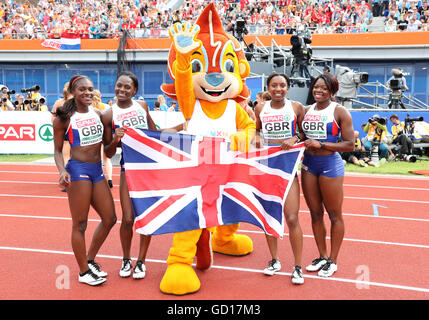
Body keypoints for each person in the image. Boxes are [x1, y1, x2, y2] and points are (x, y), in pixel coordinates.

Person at [53, 75, 117, 286]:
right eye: (83, 90)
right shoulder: (64, 118)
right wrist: (62, 171)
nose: (88, 93)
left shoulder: (99, 114)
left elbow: (108, 149)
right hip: (78, 170)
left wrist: (116, 139)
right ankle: (83, 272)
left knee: (110, 218)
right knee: (80, 224)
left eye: (90, 89)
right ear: (74, 92)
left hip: (97, 170)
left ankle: (89, 260)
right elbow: (57, 150)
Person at [102, 71, 158, 279]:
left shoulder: (142, 107)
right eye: (119, 86)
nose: (122, 90)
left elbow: (155, 133)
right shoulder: (108, 115)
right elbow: (107, 152)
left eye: (127, 87)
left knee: (146, 217)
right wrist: (116, 140)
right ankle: (126, 259)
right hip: (128, 167)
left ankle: (141, 261)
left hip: (149, 168)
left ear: (135, 90)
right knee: (127, 219)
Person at [254, 73, 305, 285]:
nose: (278, 89)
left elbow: (303, 134)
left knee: (292, 218)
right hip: (267, 167)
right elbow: (257, 130)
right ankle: (274, 260)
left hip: (288, 167)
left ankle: (298, 266)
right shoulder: (259, 108)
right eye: (274, 85)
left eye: (282, 85)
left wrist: (294, 138)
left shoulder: (296, 107)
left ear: (288, 87)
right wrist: (256, 138)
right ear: (268, 87)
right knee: (269, 215)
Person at [301, 73, 354, 277]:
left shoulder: (340, 112)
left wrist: (322, 144)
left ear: (332, 91)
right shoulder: (307, 110)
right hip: (308, 165)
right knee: (315, 213)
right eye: (316, 87)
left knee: (334, 215)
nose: (318, 91)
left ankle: (333, 260)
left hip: (330, 165)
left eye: (323, 88)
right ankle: (322, 256)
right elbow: (302, 135)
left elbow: (349, 144)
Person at [52, 82, 73, 191]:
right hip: (74, 132)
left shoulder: (58, 103)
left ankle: (67, 179)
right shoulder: (76, 103)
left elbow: (53, 120)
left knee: (65, 157)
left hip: (64, 133)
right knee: (71, 157)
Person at [91, 89, 113, 188]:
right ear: (100, 96)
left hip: (96, 134)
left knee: (98, 158)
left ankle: (99, 180)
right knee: (107, 158)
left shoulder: (89, 108)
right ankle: (110, 179)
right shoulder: (107, 107)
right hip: (107, 134)